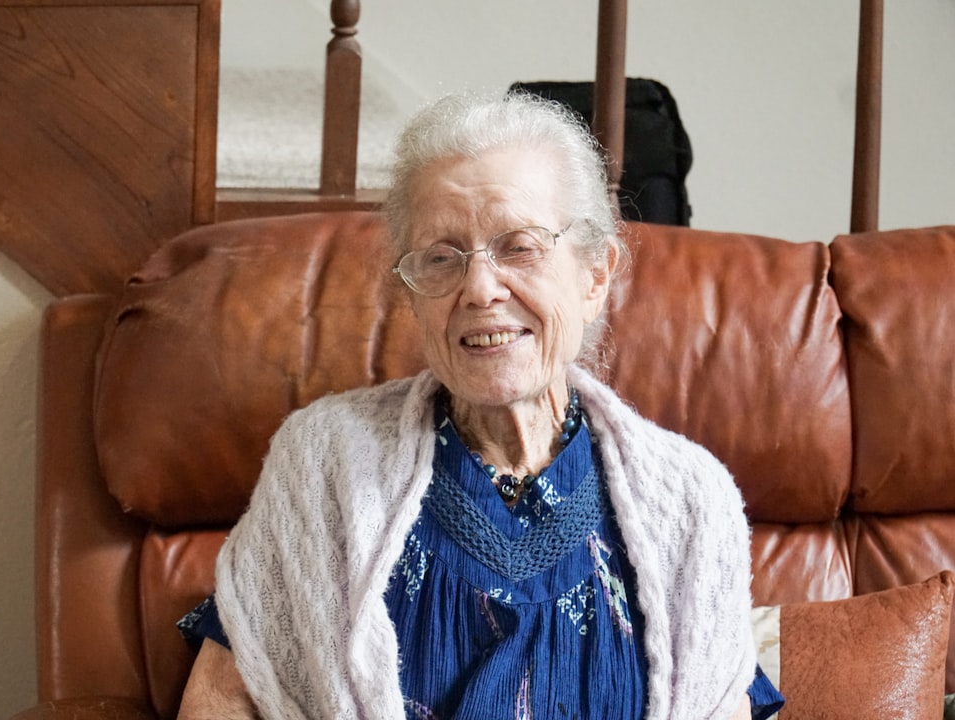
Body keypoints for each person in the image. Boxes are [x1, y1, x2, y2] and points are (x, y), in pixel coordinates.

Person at [176, 92, 783, 720]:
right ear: (412, 296)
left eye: (518, 246)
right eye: (442, 258)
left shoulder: (691, 500)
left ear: (595, 276)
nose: (480, 288)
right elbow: (222, 698)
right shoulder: (323, 463)